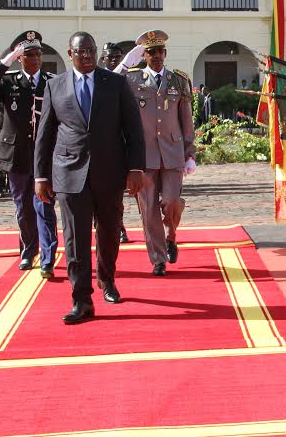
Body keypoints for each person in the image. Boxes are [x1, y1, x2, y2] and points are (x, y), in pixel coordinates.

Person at [34, 31, 145, 324]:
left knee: (109, 232)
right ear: (69, 54)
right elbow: (44, 134)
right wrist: (40, 176)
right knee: (75, 239)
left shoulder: (116, 83)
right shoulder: (55, 86)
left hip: (110, 172)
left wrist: (136, 169)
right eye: (81, 51)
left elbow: (133, 129)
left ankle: (106, 279)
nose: (86, 56)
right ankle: (81, 299)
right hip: (69, 174)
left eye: (91, 51)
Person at [0, 31, 58, 277]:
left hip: (44, 156)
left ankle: (47, 258)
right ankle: (28, 251)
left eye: (37, 54)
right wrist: (5, 62)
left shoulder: (52, 82)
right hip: (17, 156)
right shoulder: (9, 82)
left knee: (45, 207)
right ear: (19, 58)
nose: (34, 58)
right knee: (23, 208)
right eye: (28, 54)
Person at [118, 30, 196, 277]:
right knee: (149, 209)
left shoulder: (178, 81)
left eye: (161, 51)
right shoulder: (131, 80)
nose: (157, 56)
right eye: (151, 52)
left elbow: (186, 120)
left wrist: (190, 152)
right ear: (144, 55)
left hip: (173, 152)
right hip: (144, 155)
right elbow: (106, 84)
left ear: (166, 53)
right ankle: (158, 259)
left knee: (171, 202)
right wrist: (124, 63)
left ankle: (171, 235)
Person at [100, 42, 132, 244]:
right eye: (110, 57)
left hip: (119, 143)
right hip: (96, 145)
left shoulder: (128, 79)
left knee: (116, 193)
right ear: (103, 59)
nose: (113, 60)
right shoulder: (94, 77)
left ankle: (118, 226)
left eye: (117, 57)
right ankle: (103, 225)